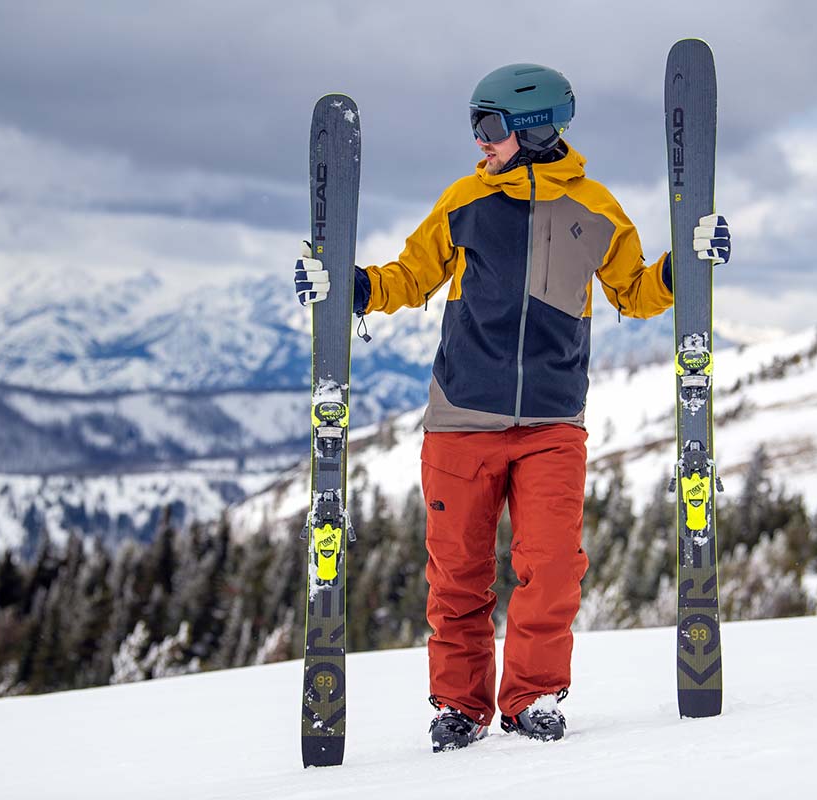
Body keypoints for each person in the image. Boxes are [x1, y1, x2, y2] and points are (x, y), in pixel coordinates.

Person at [294, 63, 730, 752]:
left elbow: (637, 294)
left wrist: (686, 266)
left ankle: (531, 697)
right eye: (476, 127)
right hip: (461, 419)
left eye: (489, 127)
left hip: (553, 424)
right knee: (458, 577)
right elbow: (411, 276)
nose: (480, 143)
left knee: (552, 567)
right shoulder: (464, 200)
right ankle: (461, 708)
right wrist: (349, 286)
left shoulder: (598, 211)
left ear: (534, 130)